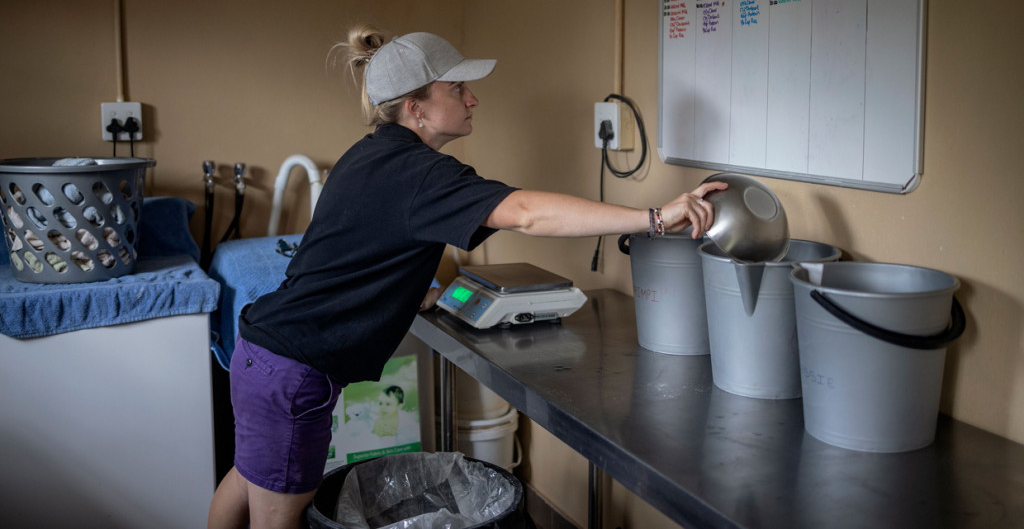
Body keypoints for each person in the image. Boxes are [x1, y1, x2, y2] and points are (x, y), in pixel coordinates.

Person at [207, 28, 727, 529]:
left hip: (261, 356)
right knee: (277, 518)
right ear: (417, 107)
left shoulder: (370, 156)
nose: (472, 98)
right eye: (456, 88)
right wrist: (655, 218)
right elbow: (525, 212)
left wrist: (418, 294)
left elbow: (357, 253)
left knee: (243, 483)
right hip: (295, 375)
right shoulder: (419, 173)